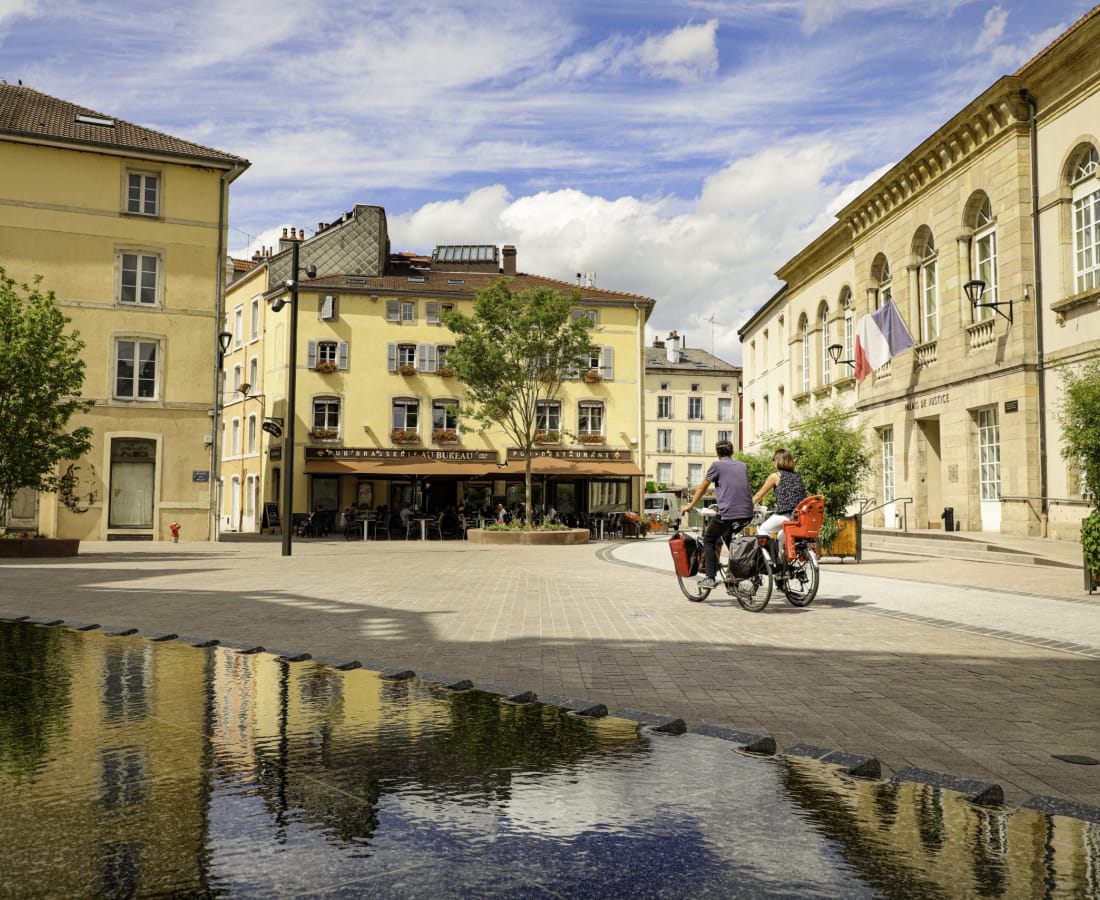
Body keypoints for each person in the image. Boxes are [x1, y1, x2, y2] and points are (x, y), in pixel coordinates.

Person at [681, 440, 754, 588]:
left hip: (728, 512)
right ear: (732, 452)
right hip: (747, 512)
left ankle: (710, 578)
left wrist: (691, 505)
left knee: (709, 539)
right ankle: (736, 572)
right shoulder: (742, 466)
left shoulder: (716, 465)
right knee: (728, 536)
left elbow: (702, 488)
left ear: (717, 453)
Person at [752, 448, 808, 567]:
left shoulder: (775, 476)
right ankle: (783, 568)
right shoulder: (797, 476)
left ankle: (773, 562)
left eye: (774, 460)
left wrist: (747, 506)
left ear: (778, 460)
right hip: (799, 517)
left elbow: (759, 495)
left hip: (784, 516)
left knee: (762, 530)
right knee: (781, 537)